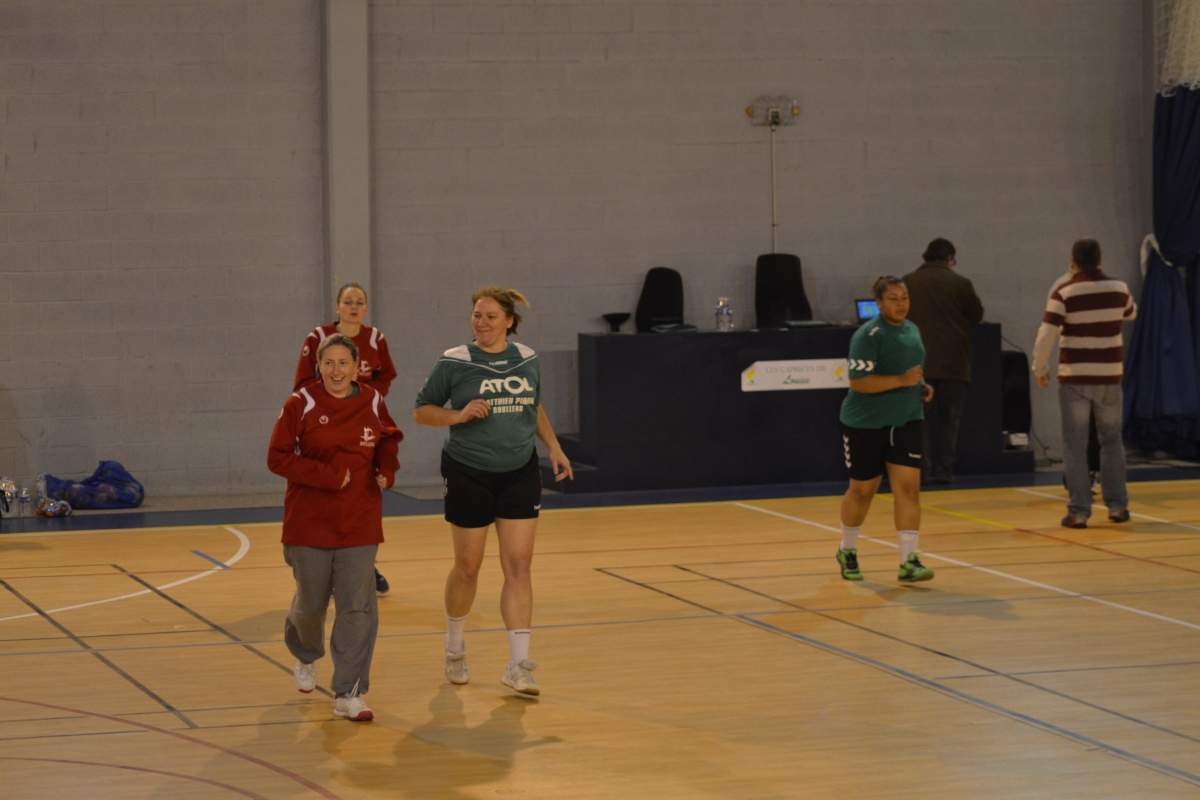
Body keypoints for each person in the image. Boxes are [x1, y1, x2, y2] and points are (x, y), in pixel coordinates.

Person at [414, 286, 573, 697]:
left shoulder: (527, 359)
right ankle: (454, 647)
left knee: (519, 566)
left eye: (489, 316)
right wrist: (459, 414)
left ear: (509, 322)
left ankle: (518, 665)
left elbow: (533, 406)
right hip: (469, 471)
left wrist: (553, 446)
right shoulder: (455, 361)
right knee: (468, 567)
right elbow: (422, 410)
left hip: (519, 470)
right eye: (476, 316)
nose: (481, 323)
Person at [268, 334, 401, 721]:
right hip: (309, 522)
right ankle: (305, 655)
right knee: (311, 604)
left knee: (357, 607)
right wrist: (327, 475)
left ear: (357, 366)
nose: (336, 370)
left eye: (344, 363)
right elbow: (276, 458)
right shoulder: (301, 403)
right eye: (329, 363)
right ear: (318, 366)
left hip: (359, 520)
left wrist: (386, 471)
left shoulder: (373, 400)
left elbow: (389, 439)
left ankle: (350, 692)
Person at [293, 282, 397, 596]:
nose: (353, 307)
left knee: (361, 497)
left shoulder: (376, 339)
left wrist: (364, 402)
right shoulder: (318, 338)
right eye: (348, 301)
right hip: (326, 424)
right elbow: (301, 383)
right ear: (337, 306)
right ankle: (319, 569)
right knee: (328, 495)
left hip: (362, 423)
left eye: (359, 302)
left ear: (365, 308)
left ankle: (365, 566)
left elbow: (387, 376)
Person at [835, 276, 936, 583]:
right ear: (879, 303)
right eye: (893, 298)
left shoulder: (913, 330)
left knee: (908, 489)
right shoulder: (868, 336)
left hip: (906, 419)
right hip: (866, 423)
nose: (900, 304)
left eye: (904, 297)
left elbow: (911, 372)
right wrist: (901, 382)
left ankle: (909, 560)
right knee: (863, 490)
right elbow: (859, 383)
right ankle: (847, 549)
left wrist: (920, 386)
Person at [1032, 239, 1137, 528]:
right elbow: (1131, 313)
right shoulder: (1119, 288)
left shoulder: (1064, 292)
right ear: (1100, 259)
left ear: (1073, 261)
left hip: (1076, 378)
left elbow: (1047, 334)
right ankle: (1117, 507)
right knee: (1112, 441)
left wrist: (1039, 367)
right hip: (1110, 377)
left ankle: (1079, 511)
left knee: (1075, 445)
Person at [902, 238, 984, 485]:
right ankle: (944, 470)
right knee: (950, 420)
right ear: (949, 259)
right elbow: (976, 315)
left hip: (918, 363)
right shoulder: (961, 283)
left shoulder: (908, 282)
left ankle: (922, 471)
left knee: (920, 421)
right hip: (954, 363)